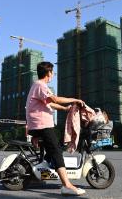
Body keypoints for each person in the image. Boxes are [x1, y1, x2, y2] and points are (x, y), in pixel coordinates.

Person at [26, 61, 86, 196]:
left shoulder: (38, 86)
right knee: (57, 152)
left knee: (56, 144)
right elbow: (55, 99)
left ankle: (44, 164)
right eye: (52, 72)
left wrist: (65, 108)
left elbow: (50, 104)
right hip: (42, 125)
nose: (53, 74)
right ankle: (67, 185)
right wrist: (74, 100)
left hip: (39, 125)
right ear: (49, 73)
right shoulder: (41, 85)